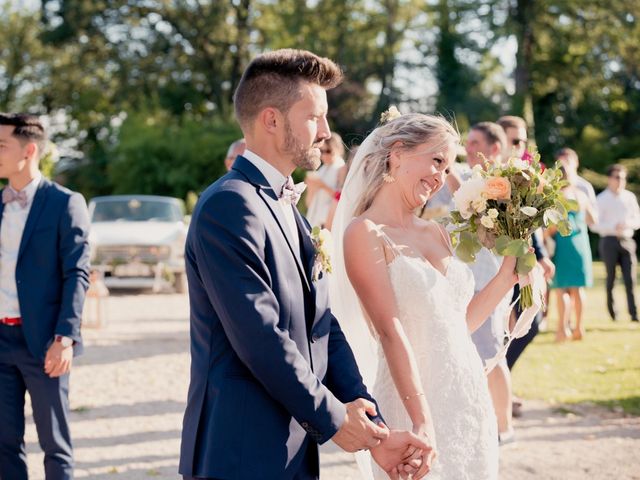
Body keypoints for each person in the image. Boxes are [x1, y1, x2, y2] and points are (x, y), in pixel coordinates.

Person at [178, 49, 432, 480]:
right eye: (315, 117)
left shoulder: (282, 204)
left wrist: (371, 425)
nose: (327, 131)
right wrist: (334, 418)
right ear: (272, 120)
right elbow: (261, 338)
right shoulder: (229, 206)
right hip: (240, 451)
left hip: (289, 448)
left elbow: (321, 323)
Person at [331, 112, 519, 479]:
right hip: (414, 404)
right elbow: (389, 330)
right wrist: (422, 420)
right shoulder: (364, 232)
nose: (440, 177)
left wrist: (505, 277)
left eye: (447, 166)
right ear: (398, 153)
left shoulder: (435, 232)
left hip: (468, 399)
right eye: (436, 161)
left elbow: (456, 324)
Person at [0, 113, 91, 480]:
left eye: (2, 145)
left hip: (45, 342)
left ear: (30, 149)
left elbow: (77, 274)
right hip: (0, 340)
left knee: (55, 443)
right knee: (5, 444)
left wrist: (64, 338)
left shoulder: (65, 203)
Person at [463, 122, 515, 443]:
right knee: (473, 354)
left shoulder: (502, 185)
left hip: (490, 279)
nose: (468, 148)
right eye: (467, 142)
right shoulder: (468, 180)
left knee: (492, 353)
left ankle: (505, 426)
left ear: (495, 148)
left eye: (475, 143)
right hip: (465, 279)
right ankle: (486, 421)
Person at [545, 166, 597, 341]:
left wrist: (542, 236)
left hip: (564, 244)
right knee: (578, 288)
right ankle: (579, 328)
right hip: (582, 243)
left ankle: (562, 329)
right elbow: (593, 220)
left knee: (562, 290)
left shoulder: (558, 197)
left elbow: (553, 227)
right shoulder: (582, 195)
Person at [593, 164, 640, 322]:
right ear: (610, 179)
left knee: (630, 279)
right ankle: (613, 313)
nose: (621, 181)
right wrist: (612, 226)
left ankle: (634, 314)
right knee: (611, 279)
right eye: (617, 177)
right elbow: (594, 224)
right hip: (609, 241)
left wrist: (626, 224)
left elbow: (637, 220)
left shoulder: (630, 197)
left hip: (627, 241)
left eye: (623, 178)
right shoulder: (601, 199)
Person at [304, 132, 345, 228]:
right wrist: (311, 187)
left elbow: (342, 198)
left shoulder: (341, 168)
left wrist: (322, 185)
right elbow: (309, 204)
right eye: (322, 151)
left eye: (328, 151)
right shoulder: (322, 169)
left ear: (337, 149)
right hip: (314, 220)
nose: (324, 155)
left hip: (328, 222)